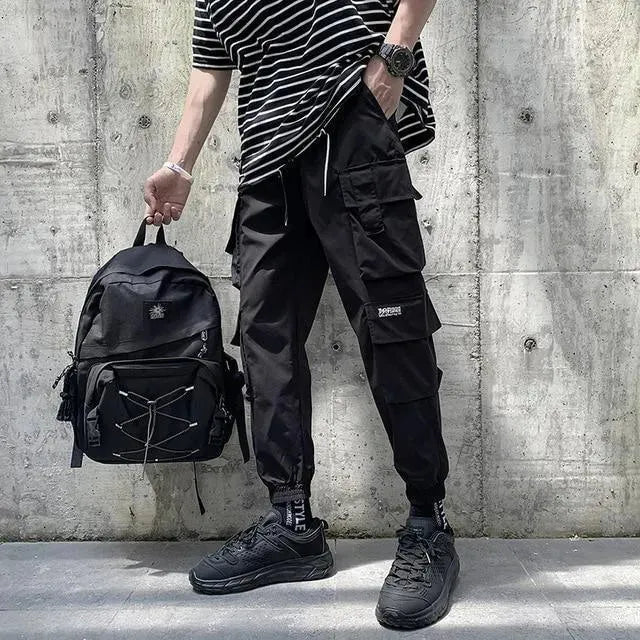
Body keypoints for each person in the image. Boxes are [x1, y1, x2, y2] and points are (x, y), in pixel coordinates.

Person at [143, 0, 459, 629]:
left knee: (392, 328)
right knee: (267, 341)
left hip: (351, 123)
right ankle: (292, 524)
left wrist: (393, 59)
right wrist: (180, 164)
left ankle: (428, 522)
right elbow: (211, 67)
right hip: (267, 159)